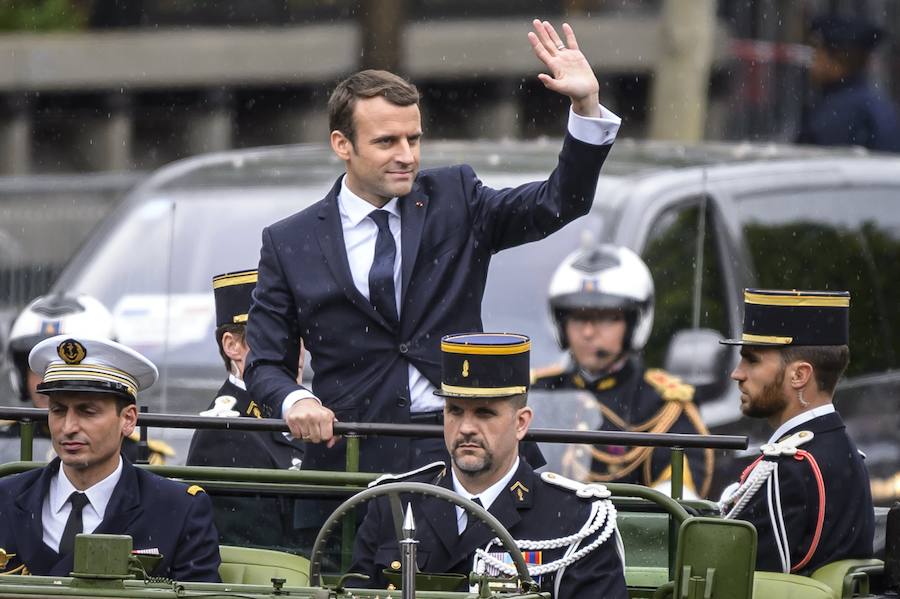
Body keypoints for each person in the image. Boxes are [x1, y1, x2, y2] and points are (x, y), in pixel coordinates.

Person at [244, 19, 621, 474]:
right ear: (342, 145)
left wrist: (585, 104)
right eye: (386, 142)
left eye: (414, 138)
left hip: (462, 450)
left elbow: (560, 202)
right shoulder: (289, 241)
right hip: (351, 455)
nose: (406, 155)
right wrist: (296, 399)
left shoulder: (455, 197)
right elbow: (265, 362)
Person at [350, 333, 627, 599]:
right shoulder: (393, 503)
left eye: (484, 413)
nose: (466, 428)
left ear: (521, 423)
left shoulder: (575, 518)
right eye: (454, 411)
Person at [0, 335, 221, 580]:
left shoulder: (177, 510)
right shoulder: (5, 499)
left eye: (87, 411)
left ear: (128, 420)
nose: (69, 426)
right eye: (58, 410)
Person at [531, 245, 713, 498]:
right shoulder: (534, 392)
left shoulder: (664, 406)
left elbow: (677, 500)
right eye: (577, 317)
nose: (587, 332)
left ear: (634, 322)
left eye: (604, 317)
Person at [718, 289, 873, 574]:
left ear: (800, 375)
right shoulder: (845, 452)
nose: (737, 373)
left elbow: (742, 579)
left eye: (752, 360)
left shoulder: (788, 468)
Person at [186, 269, 304, 548]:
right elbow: (255, 552)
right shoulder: (226, 431)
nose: (295, 350)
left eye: (297, 335)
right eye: (274, 337)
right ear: (232, 345)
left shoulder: (303, 406)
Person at [3, 294, 174, 465]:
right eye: (42, 369)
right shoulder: (3, 440)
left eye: (88, 411)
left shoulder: (136, 453)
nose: (69, 427)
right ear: (21, 375)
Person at [796, 14, 900, 152]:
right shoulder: (875, 102)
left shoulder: (840, 109)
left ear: (837, 61)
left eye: (817, 53)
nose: (813, 62)